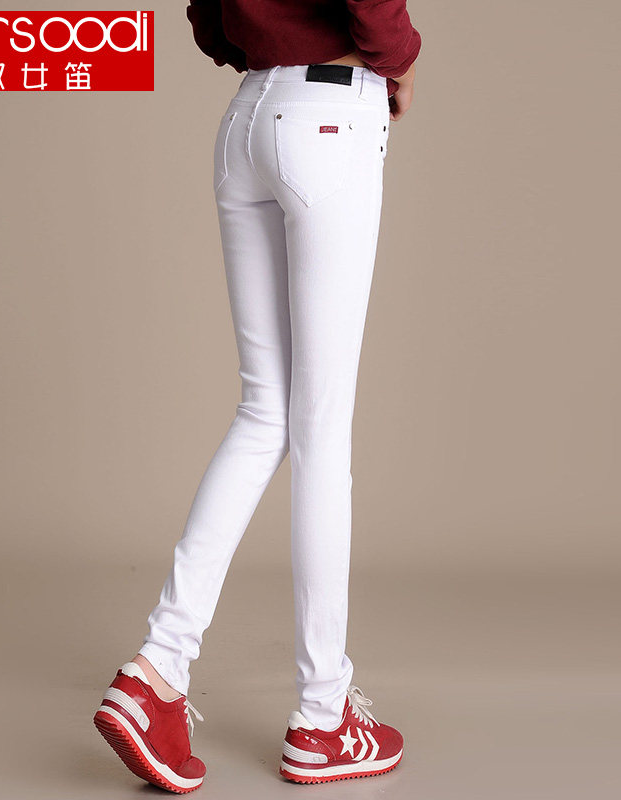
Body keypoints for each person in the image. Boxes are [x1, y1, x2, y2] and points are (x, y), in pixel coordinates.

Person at [94, 0, 421, 791]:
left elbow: (208, 14)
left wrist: (262, 42)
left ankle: (157, 670)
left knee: (266, 410)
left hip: (248, 122)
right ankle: (322, 716)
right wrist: (401, 56)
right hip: (329, 117)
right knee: (319, 427)